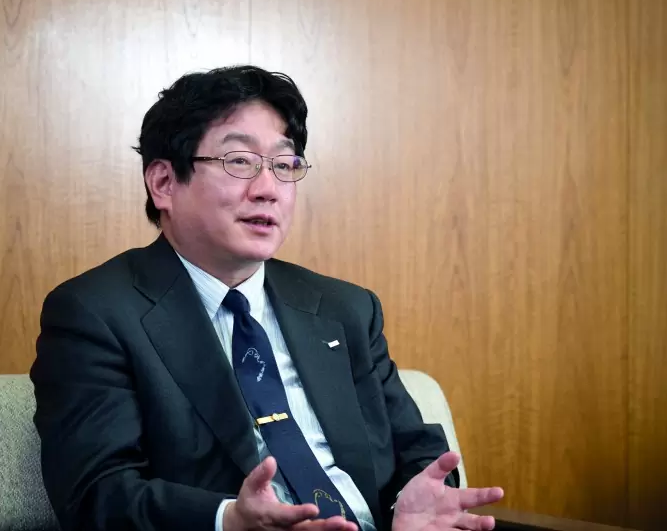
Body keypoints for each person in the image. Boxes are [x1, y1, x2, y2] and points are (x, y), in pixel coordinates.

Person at [30, 65, 504, 531]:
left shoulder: (344, 309)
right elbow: (96, 493)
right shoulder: (96, 313)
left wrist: (411, 503)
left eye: (283, 165)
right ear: (164, 184)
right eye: (239, 162)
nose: (268, 190)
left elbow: (417, 449)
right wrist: (229, 520)